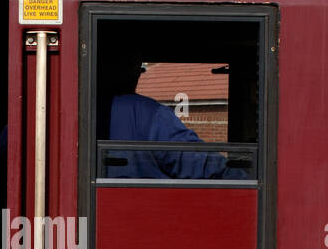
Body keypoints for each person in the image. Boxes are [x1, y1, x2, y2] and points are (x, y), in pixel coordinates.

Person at [102, 55, 249, 181]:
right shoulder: (148, 113)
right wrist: (246, 177)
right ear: (131, 71)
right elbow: (198, 164)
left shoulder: (87, 107)